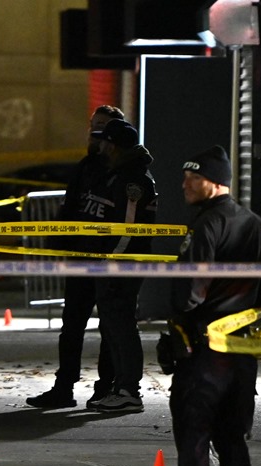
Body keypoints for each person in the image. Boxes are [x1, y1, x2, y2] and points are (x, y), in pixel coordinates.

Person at [157, 145, 261, 466]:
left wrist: (178, 322)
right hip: (241, 353)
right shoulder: (255, 224)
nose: (184, 184)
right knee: (232, 437)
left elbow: (190, 292)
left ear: (215, 181)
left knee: (193, 435)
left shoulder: (206, 225)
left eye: (194, 177)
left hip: (204, 351)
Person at [26, 105, 123, 409]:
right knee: (72, 326)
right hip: (80, 259)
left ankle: (105, 387)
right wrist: (59, 246)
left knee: (109, 328)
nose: (95, 132)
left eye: (102, 127)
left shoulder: (122, 171)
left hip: (109, 263)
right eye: (93, 125)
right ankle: (64, 386)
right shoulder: (85, 166)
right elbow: (69, 210)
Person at [86, 119, 158, 413]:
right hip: (113, 263)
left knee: (122, 325)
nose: (100, 145)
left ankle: (129, 389)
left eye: (105, 141)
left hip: (120, 265)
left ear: (113, 145)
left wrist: (110, 261)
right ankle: (120, 387)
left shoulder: (133, 180)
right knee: (112, 325)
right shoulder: (119, 174)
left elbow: (128, 229)